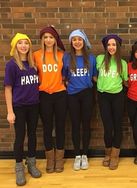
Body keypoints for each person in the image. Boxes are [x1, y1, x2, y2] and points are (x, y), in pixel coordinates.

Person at [4, 33, 42, 186]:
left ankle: (31, 163)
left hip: (34, 105)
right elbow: (8, 89)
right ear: (15, 46)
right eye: (20, 43)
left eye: (26, 43)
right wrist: (10, 111)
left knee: (32, 135)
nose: (23, 46)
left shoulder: (33, 64)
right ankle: (19, 167)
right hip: (19, 107)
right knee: (20, 137)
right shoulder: (12, 65)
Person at [33, 26, 67, 173]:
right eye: (45, 37)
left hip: (60, 94)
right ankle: (50, 159)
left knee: (60, 127)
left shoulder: (62, 55)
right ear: (42, 39)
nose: (48, 40)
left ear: (55, 39)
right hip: (44, 95)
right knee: (47, 128)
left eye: (51, 37)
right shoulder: (35, 55)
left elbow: (66, 74)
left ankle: (59, 159)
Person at [62, 29, 97, 171]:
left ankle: (84, 155)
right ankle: (77, 155)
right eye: (74, 39)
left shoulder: (91, 58)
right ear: (71, 42)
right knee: (75, 125)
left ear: (84, 41)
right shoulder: (66, 57)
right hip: (72, 96)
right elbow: (64, 77)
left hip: (87, 94)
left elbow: (95, 77)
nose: (77, 42)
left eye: (79, 39)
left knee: (86, 124)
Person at [96, 34, 128, 170]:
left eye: (114, 44)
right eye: (108, 45)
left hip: (117, 96)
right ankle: (108, 153)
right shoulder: (100, 59)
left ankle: (115, 154)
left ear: (118, 46)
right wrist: (100, 84)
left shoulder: (123, 63)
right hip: (103, 96)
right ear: (105, 46)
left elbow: (126, 81)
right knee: (107, 127)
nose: (111, 47)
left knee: (117, 125)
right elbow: (94, 75)